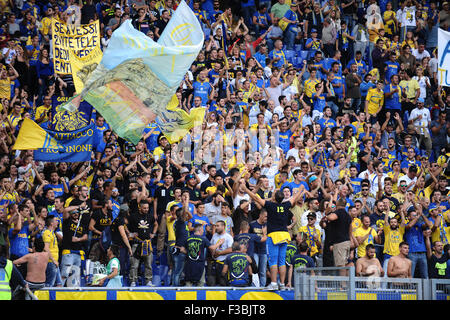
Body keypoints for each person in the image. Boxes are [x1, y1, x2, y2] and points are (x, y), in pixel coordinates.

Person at [240, 179, 303, 290]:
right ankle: (282, 284)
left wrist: (246, 190)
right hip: (284, 235)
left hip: (274, 236)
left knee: (273, 261)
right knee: (282, 261)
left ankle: (274, 283)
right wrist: (301, 189)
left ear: (274, 198)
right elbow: (294, 198)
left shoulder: (270, 205)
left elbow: (256, 198)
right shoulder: (286, 205)